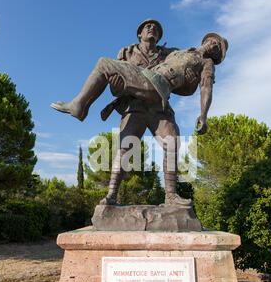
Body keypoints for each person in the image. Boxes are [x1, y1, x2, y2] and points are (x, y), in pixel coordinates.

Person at [51, 20, 228, 206]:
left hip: (158, 97)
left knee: (172, 142)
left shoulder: (192, 59)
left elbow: (204, 88)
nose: (212, 45)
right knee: (124, 149)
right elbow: (115, 86)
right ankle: (111, 196)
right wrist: (118, 87)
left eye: (217, 47)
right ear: (139, 34)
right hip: (135, 105)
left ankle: (171, 196)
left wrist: (202, 112)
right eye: (212, 41)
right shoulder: (136, 52)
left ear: (216, 55)